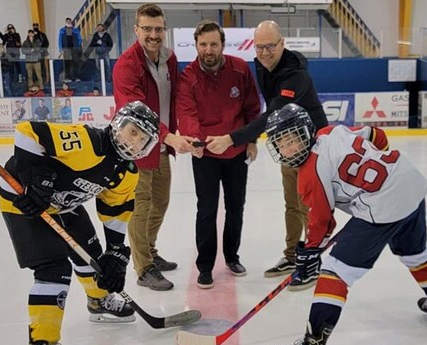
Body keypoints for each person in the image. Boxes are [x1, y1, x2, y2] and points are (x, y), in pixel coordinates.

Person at [264, 104, 427, 345]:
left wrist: (310, 251)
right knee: (414, 252)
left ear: (305, 132)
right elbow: (376, 136)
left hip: (382, 204)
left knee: (335, 271)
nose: (288, 148)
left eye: (292, 139)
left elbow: (323, 223)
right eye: (281, 143)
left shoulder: (309, 174)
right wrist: (380, 171)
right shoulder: (330, 132)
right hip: (406, 178)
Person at [0, 101, 160, 345]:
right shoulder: (88, 141)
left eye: (142, 138)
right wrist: (35, 181)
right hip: (23, 202)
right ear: (118, 124)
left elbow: (115, 211)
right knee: (54, 269)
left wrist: (116, 252)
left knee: (95, 257)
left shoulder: (127, 173)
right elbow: (27, 131)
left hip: (65, 205)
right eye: (132, 131)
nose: (134, 141)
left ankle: (98, 301)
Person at [205, 20, 328, 290]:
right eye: (260, 47)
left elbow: (271, 114)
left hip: (313, 148)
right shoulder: (261, 65)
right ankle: (293, 255)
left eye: (270, 46)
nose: (264, 52)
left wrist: (233, 138)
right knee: (292, 205)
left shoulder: (296, 76)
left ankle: (312, 262)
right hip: (288, 147)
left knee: (310, 207)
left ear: (282, 44)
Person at [113, 3, 195, 291]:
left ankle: (150, 250)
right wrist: (168, 136)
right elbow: (134, 113)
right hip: (136, 149)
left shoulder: (169, 58)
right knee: (142, 207)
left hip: (161, 146)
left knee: (161, 203)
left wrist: (180, 131)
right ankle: (144, 267)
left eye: (158, 29)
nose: (153, 34)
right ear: (136, 30)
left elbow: (174, 100)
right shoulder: (126, 65)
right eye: (147, 28)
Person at [177, 20, 260, 289]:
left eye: (214, 44)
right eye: (203, 44)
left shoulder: (240, 69)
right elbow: (187, 113)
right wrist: (197, 143)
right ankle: (205, 266)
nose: (208, 49)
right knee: (207, 210)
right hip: (206, 156)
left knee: (236, 207)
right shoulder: (188, 77)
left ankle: (232, 257)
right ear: (196, 46)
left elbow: (251, 108)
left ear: (222, 44)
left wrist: (251, 140)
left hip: (235, 151)